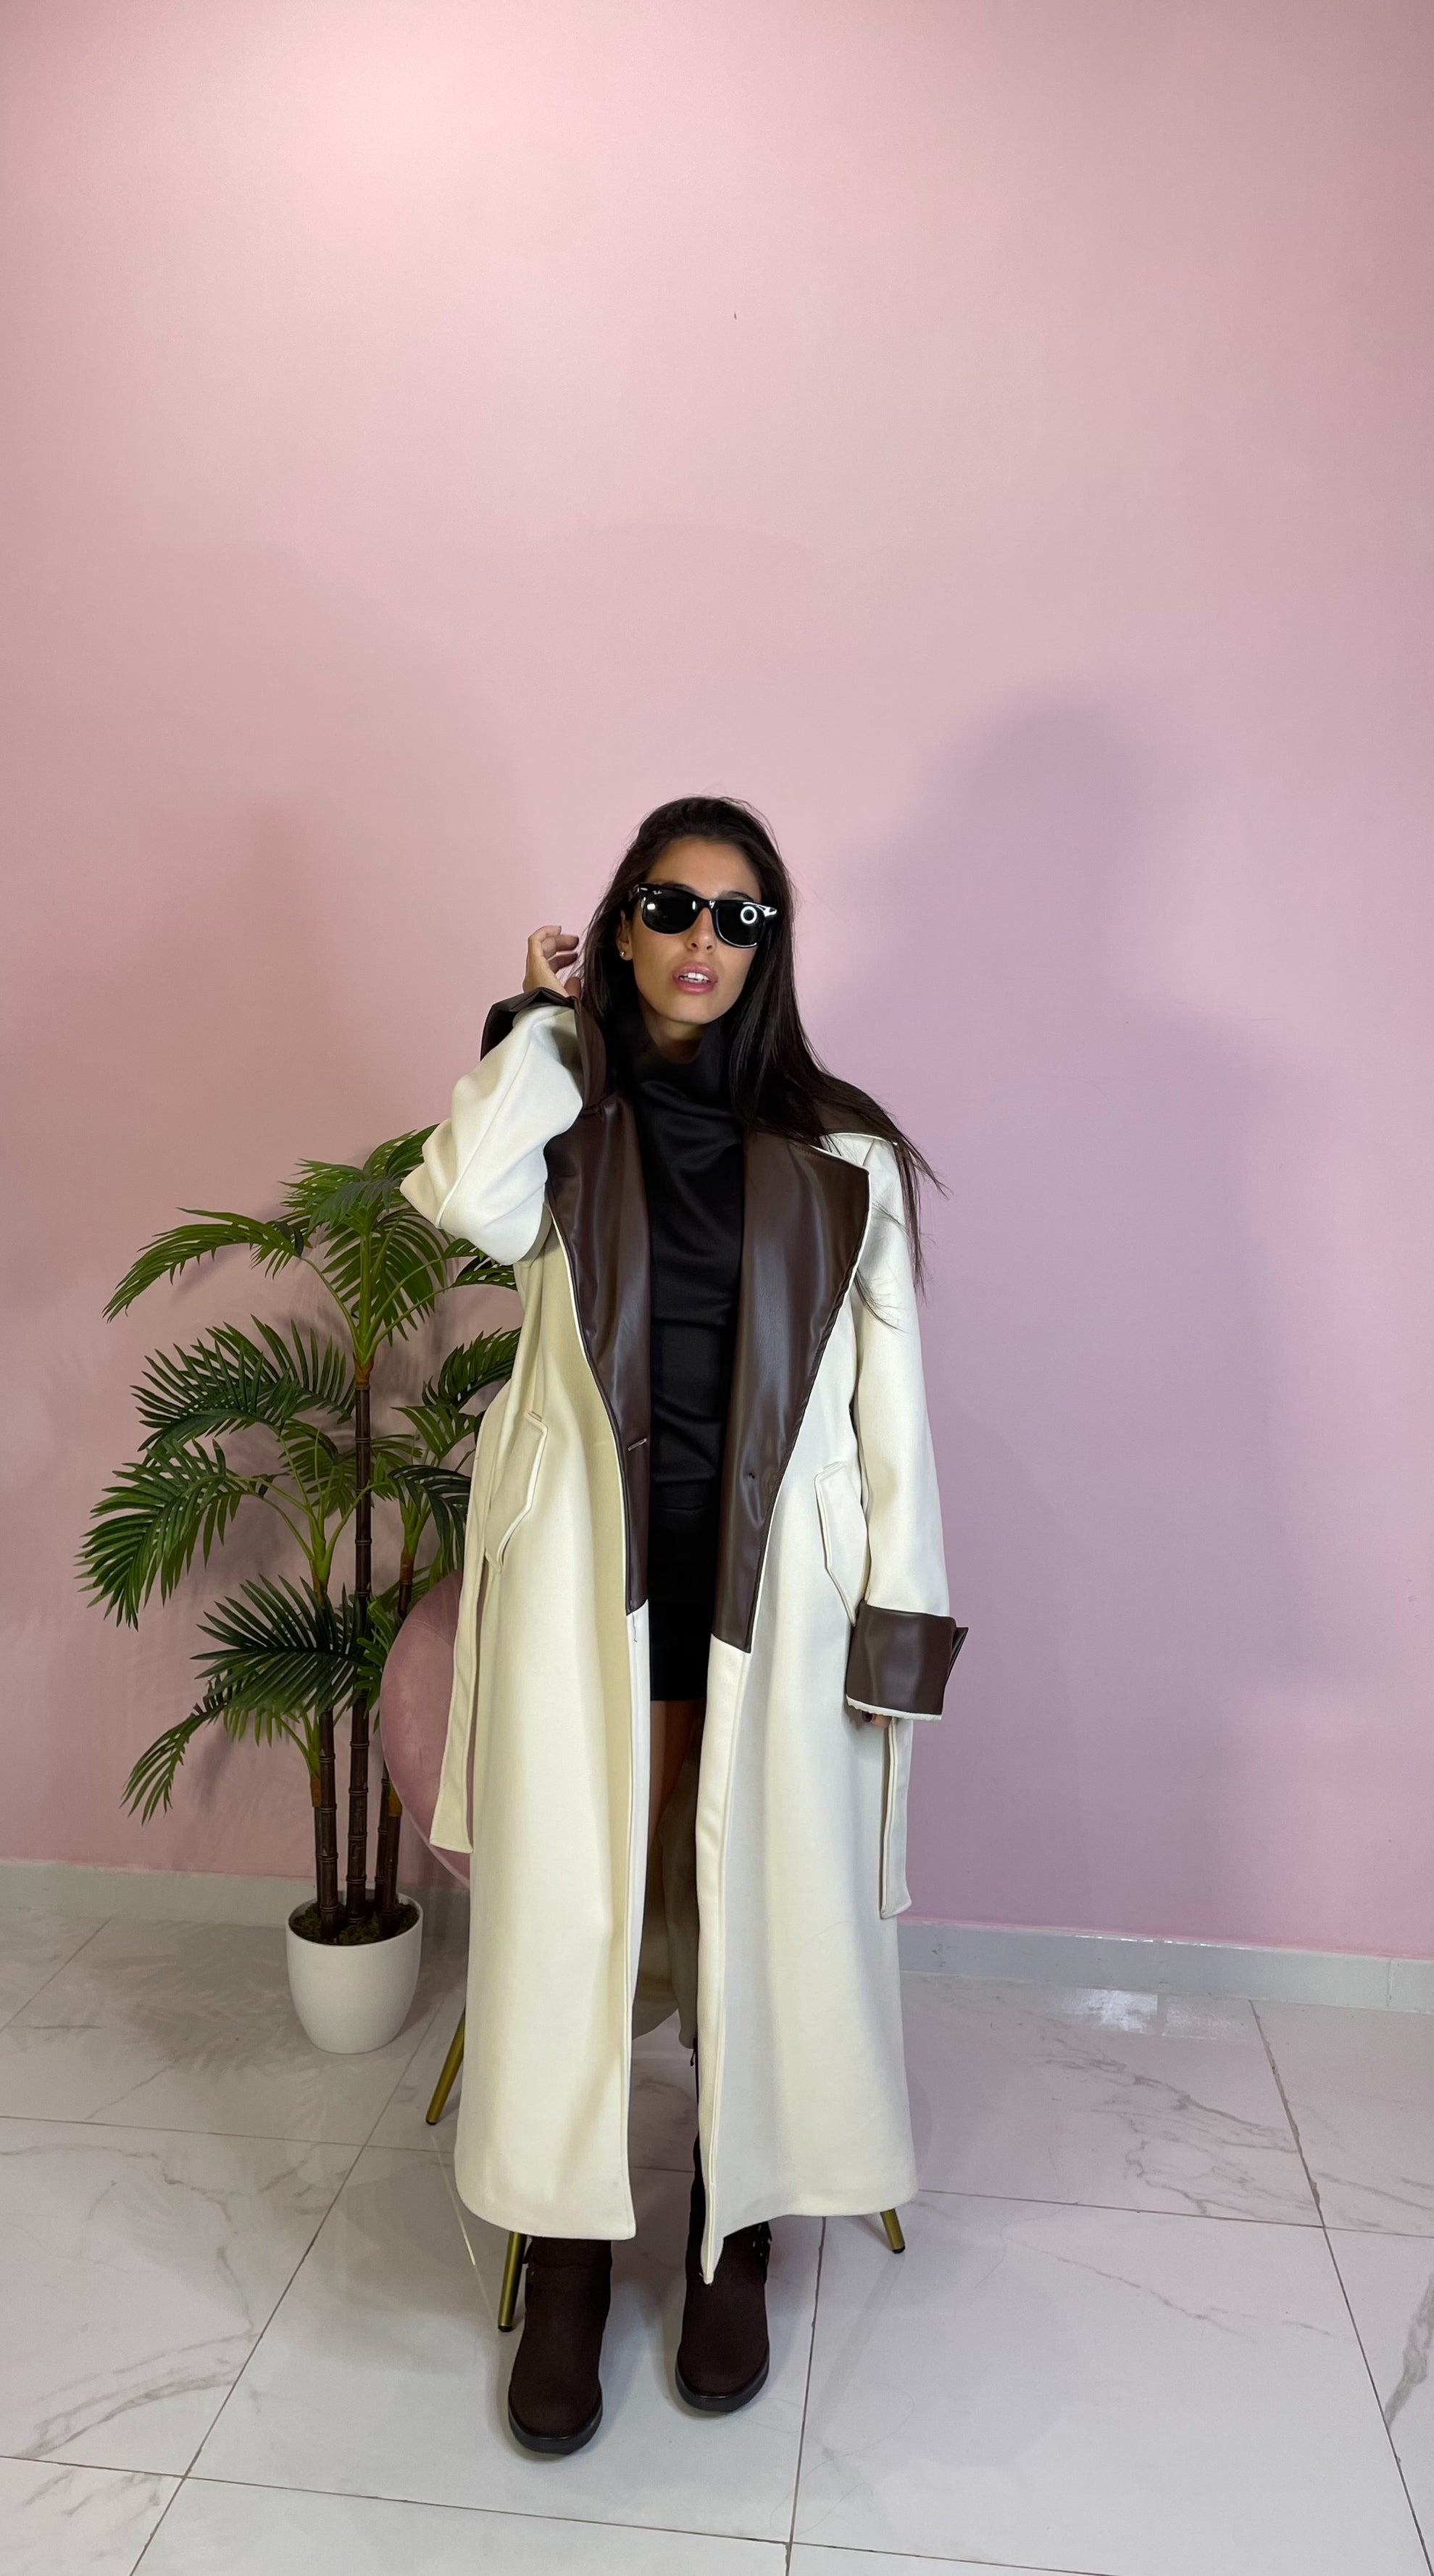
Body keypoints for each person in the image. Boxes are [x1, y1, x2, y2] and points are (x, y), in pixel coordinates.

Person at [402, 795, 964, 2454]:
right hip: (592, 1582)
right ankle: (567, 2250)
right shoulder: (564, 1116)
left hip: (774, 1596)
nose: (702, 939)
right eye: (670, 905)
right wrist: (533, 1025)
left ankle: (735, 2222)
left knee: (754, 1906)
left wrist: (901, 1627)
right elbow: (461, 1197)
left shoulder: (845, 1153)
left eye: (738, 915)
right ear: (621, 925)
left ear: (768, 946)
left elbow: (890, 1411)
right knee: (582, 1904)